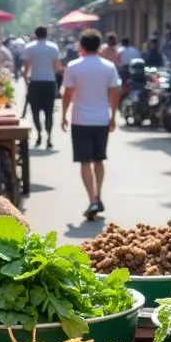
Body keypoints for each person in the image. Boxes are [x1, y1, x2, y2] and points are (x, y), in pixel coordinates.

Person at [61, 28, 120, 221]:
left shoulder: (73, 66)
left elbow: (67, 93)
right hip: (101, 118)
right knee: (99, 159)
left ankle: (92, 199)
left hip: (80, 119)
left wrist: (63, 114)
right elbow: (114, 93)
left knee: (84, 161)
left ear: (81, 46)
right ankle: (98, 195)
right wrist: (113, 117)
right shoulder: (108, 66)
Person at [22, 25, 63, 149]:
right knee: (49, 112)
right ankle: (49, 136)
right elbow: (58, 68)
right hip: (49, 83)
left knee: (35, 112)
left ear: (35, 34)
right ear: (47, 34)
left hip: (35, 82)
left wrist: (27, 82)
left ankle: (39, 134)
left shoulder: (29, 48)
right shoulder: (53, 47)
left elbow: (26, 68)